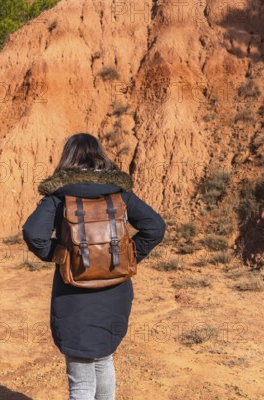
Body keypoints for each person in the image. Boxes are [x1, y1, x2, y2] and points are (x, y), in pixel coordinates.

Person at [22, 133, 165, 400]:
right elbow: (155, 227)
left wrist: (63, 255)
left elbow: (34, 234)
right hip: (115, 292)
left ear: (68, 158)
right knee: (104, 359)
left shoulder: (59, 196)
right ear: (100, 155)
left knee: (81, 381)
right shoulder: (120, 193)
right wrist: (128, 257)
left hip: (74, 296)